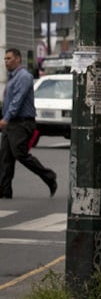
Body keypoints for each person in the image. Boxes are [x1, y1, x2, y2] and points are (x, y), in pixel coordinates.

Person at [0, 48, 57, 199]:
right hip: (11, 123)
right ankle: (4, 191)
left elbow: (17, 100)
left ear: (18, 59)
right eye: (5, 59)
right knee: (5, 157)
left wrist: (6, 118)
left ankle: (49, 176)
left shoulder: (24, 77)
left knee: (20, 153)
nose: (6, 61)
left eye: (9, 58)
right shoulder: (12, 78)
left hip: (22, 123)